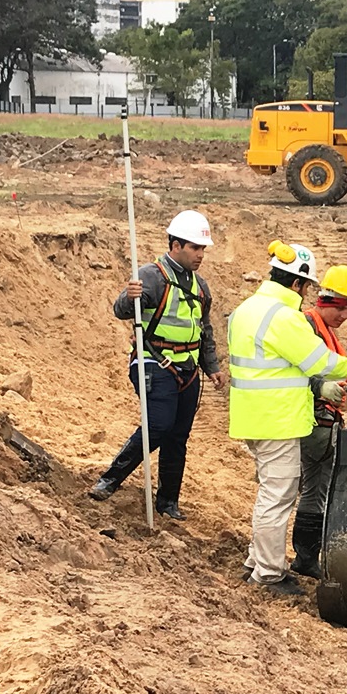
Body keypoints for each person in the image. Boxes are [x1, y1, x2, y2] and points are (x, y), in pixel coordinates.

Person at [228, 241, 347, 596]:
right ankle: (270, 573)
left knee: (269, 494)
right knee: (278, 497)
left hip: (252, 416)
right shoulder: (283, 316)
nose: (307, 295)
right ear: (297, 284)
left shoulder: (247, 309)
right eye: (307, 287)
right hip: (278, 420)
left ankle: (255, 561)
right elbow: (320, 362)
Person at [89, 210, 228, 520]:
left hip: (188, 370)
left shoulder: (201, 287)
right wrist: (129, 297)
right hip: (154, 362)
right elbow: (121, 310)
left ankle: (168, 501)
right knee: (159, 426)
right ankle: (110, 479)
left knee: (177, 437)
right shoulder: (151, 276)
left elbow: (204, 330)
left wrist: (212, 366)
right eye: (195, 248)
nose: (200, 255)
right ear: (176, 245)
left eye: (203, 249)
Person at [291, 265, 347, 579]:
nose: (345, 316)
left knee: (317, 488)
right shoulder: (307, 326)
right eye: (342, 308)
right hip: (313, 421)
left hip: (322, 419)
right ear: (327, 301)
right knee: (313, 489)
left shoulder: (322, 329)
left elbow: (329, 373)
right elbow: (302, 374)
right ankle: (305, 557)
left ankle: (307, 554)